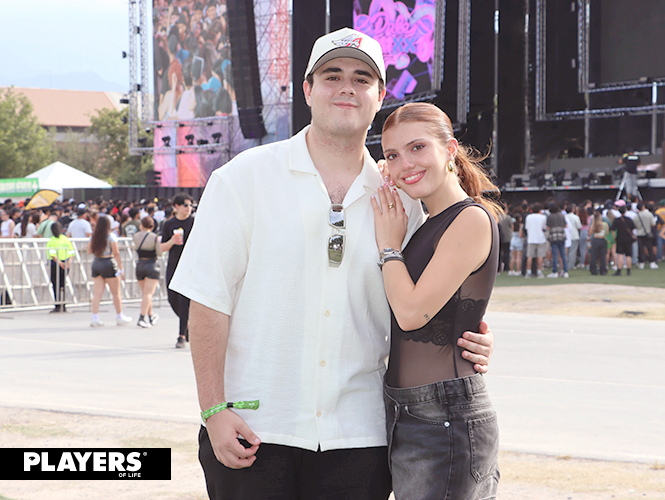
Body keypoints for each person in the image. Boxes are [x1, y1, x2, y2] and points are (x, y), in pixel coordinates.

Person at [169, 27, 494, 500]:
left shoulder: (404, 199)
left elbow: (430, 300)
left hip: (361, 436)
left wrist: (473, 335)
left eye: (362, 79)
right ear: (307, 90)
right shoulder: (243, 178)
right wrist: (213, 409)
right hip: (255, 428)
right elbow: (208, 302)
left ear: (380, 95)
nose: (347, 87)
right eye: (332, 75)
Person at [371, 102, 500, 499]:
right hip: (411, 412)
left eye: (417, 147)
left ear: (450, 149)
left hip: (445, 415)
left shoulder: (470, 218)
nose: (405, 163)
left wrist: (389, 247)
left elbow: (411, 313)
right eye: (392, 155)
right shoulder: (428, 222)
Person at [160, 192, 194, 348]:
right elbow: (161, 248)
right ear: (177, 207)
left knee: (183, 300)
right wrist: (172, 241)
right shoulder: (168, 224)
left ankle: (181, 335)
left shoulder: (194, 222)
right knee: (172, 298)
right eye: (185, 205)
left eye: (191, 205)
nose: (189, 208)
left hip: (190, 266)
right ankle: (188, 324)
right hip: (173, 265)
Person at [87, 215, 133, 327]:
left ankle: (95, 317)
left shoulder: (94, 236)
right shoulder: (111, 236)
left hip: (96, 262)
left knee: (97, 293)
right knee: (116, 293)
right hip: (108, 262)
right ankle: (119, 316)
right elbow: (116, 253)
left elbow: (89, 250)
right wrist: (121, 269)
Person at [133, 216, 162, 328]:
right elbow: (159, 253)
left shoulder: (135, 236)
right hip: (152, 265)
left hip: (140, 265)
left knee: (145, 294)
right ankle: (141, 317)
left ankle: (150, 316)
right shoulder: (155, 237)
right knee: (148, 294)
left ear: (141, 225)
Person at [46, 222, 75, 313]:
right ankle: (63, 304)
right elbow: (71, 251)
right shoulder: (66, 239)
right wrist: (69, 262)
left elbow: (52, 253)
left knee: (56, 285)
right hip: (66, 263)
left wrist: (59, 262)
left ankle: (58, 304)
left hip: (56, 264)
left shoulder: (52, 240)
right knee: (62, 284)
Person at [610, 203, 635, 276]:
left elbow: (613, 230)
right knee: (628, 255)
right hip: (628, 239)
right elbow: (633, 229)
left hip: (620, 239)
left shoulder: (617, 220)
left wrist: (614, 238)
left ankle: (619, 270)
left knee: (620, 255)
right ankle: (628, 271)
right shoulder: (629, 220)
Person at [524, 202, 547, 278]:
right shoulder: (543, 217)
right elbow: (544, 227)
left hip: (531, 238)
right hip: (540, 238)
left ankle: (528, 272)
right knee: (540, 256)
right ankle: (539, 272)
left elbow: (527, 228)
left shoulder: (528, 217)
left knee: (530, 256)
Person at [546, 202, 568, 278]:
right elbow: (565, 225)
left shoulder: (550, 216)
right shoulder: (561, 215)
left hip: (553, 236)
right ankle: (565, 271)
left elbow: (548, 227)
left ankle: (555, 271)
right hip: (561, 235)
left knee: (555, 254)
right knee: (563, 254)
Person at [588, 209, 609, 275]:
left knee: (594, 256)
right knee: (603, 256)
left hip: (595, 240)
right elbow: (607, 233)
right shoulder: (605, 224)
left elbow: (589, 234)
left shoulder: (593, 225)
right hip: (602, 240)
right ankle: (603, 270)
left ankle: (593, 270)